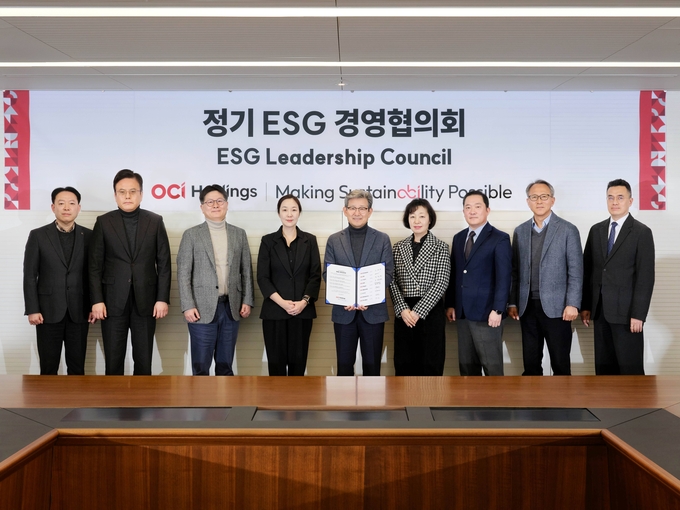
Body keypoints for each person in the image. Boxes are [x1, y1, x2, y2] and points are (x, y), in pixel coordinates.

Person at [89, 169, 171, 375]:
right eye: (122, 192)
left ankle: (142, 397)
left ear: (141, 194)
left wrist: (162, 299)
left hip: (146, 302)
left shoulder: (155, 221)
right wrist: (97, 300)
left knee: (143, 361)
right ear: (115, 195)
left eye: (133, 191)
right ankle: (114, 397)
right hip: (112, 302)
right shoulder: (104, 222)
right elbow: (95, 266)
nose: (127, 196)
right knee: (113, 361)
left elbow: (164, 263)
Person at [177, 184, 254, 376]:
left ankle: (226, 397)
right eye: (210, 202)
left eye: (219, 201)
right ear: (202, 207)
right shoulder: (191, 235)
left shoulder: (239, 234)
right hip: (200, 309)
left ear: (226, 204)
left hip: (231, 308)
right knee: (201, 367)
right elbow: (183, 273)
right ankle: (201, 397)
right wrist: (188, 306)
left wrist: (247, 300)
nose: (215, 205)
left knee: (225, 366)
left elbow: (246, 270)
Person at [508, 180, 583, 376]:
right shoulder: (520, 231)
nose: (539, 201)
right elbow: (515, 270)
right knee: (531, 364)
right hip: (527, 307)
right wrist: (512, 302)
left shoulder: (568, 230)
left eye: (544, 196)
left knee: (560, 364)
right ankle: (533, 397)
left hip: (558, 308)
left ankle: (564, 397)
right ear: (528, 201)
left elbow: (576, 270)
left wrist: (572, 303)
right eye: (534, 197)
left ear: (552, 200)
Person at [581, 179, 655, 375]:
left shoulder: (641, 232)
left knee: (630, 369)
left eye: (620, 197)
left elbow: (645, 277)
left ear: (630, 201)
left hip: (627, 314)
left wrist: (639, 314)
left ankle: (636, 399)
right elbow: (588, 270)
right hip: (600, 312)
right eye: (610, 197)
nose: (615, 202)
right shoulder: (596, 230)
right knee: (604, 369)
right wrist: (586, 306)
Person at [23, 187, 94, 375]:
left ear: (78, 207)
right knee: (48, 367)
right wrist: (32, 309)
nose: (66, 208)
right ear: (53, 207)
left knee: (77, 367)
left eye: (71, 203)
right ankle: (48, 396)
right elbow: (29, 275)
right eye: (61, 203)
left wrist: (93, 304)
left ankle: (76, 396)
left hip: (79, 311)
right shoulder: (38, 235)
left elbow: (93, 274)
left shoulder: (89, 236)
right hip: (47, 312)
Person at [323, 189, 394, 376]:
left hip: (374, 312)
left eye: (362, 208)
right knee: (344, 366)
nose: (357, 212)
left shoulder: (382, 239)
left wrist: (367, 297)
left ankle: (372, 398)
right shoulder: (334, 240)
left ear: (370, 211)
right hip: (343, 312)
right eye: (352, 208)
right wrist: (344, 297)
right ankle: (344, 398)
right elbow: (328, 273)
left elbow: (388, 273)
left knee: (372, 366)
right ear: (345, 210)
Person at [445, 190, 512, 376]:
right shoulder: (459, 238)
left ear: (487, 210)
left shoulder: (499, 238)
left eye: (477, 206)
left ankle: (495, 398)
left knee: (492, 366)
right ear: (463, 211)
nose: (472, 211)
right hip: (462, 313)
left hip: (487, 314)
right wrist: (450, 304)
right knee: (467, 367)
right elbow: (455, 273)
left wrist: (498, 309)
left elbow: (504, 277)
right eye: (468, 207)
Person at [257, 194, 321, 376]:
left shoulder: (310, 240)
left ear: (299, 212)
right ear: (279, 213)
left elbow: (315, 276)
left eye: (294, 209)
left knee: (298, 366)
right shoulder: (268, 241)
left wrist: (304, 302)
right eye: (285, 209)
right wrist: (283, 303)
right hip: (274, 312)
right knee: (276, 365)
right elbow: (263, 277)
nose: (289, 214)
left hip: (302, 312)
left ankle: (297, 397)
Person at [389, 198, 450, 375]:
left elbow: (442, 282)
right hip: (404, 312)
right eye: (412, 216)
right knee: (404, 363)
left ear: (430, 219)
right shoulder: (398, 247)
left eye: (422, 216)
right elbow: (392, 281)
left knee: (430, 363)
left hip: (430, 311)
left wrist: (418, 312)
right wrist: (402, 309)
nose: (417, 221)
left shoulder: (441, 247)